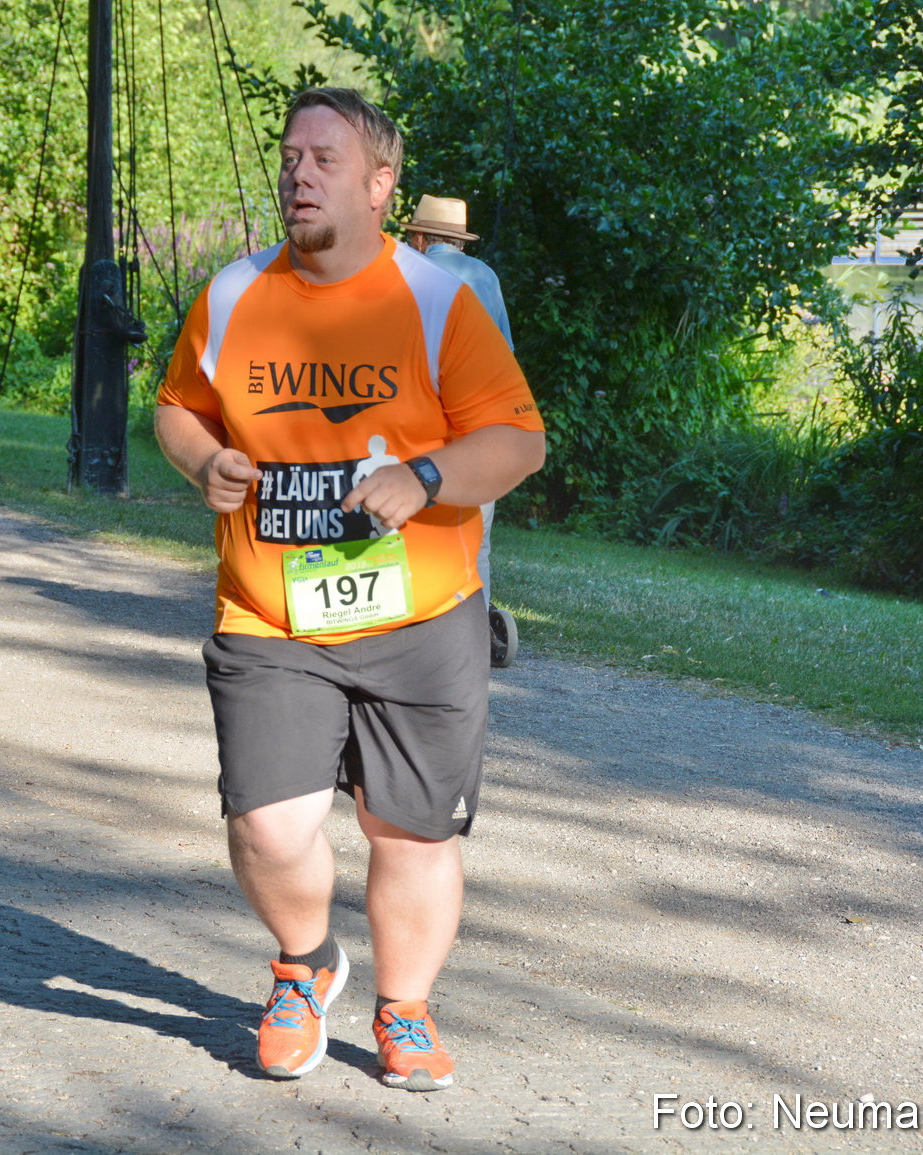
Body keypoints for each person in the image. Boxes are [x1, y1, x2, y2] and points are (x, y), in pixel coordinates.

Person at [154, 87, 545, 1093]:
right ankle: (302, 964)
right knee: (267, 826)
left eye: (324, 158)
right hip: (271, 615)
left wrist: (420, 480)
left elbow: (514, 440)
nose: (297, 173)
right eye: (290, 156)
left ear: (380, 185)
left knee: (410, 836)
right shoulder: (234, 294)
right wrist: (204, 466)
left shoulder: (437, 300)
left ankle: (404, 1010)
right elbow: (178, 409)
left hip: (420, 616)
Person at [400, 195, 521, 667]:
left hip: (420, 427)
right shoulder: (485, 277)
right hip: (478, 429)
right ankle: (472, 628)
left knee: (406, 523)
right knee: (476, 535)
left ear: (421, 237)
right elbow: (504, 357)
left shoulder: (407, 274)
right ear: (460, 240)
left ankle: (406, 623)